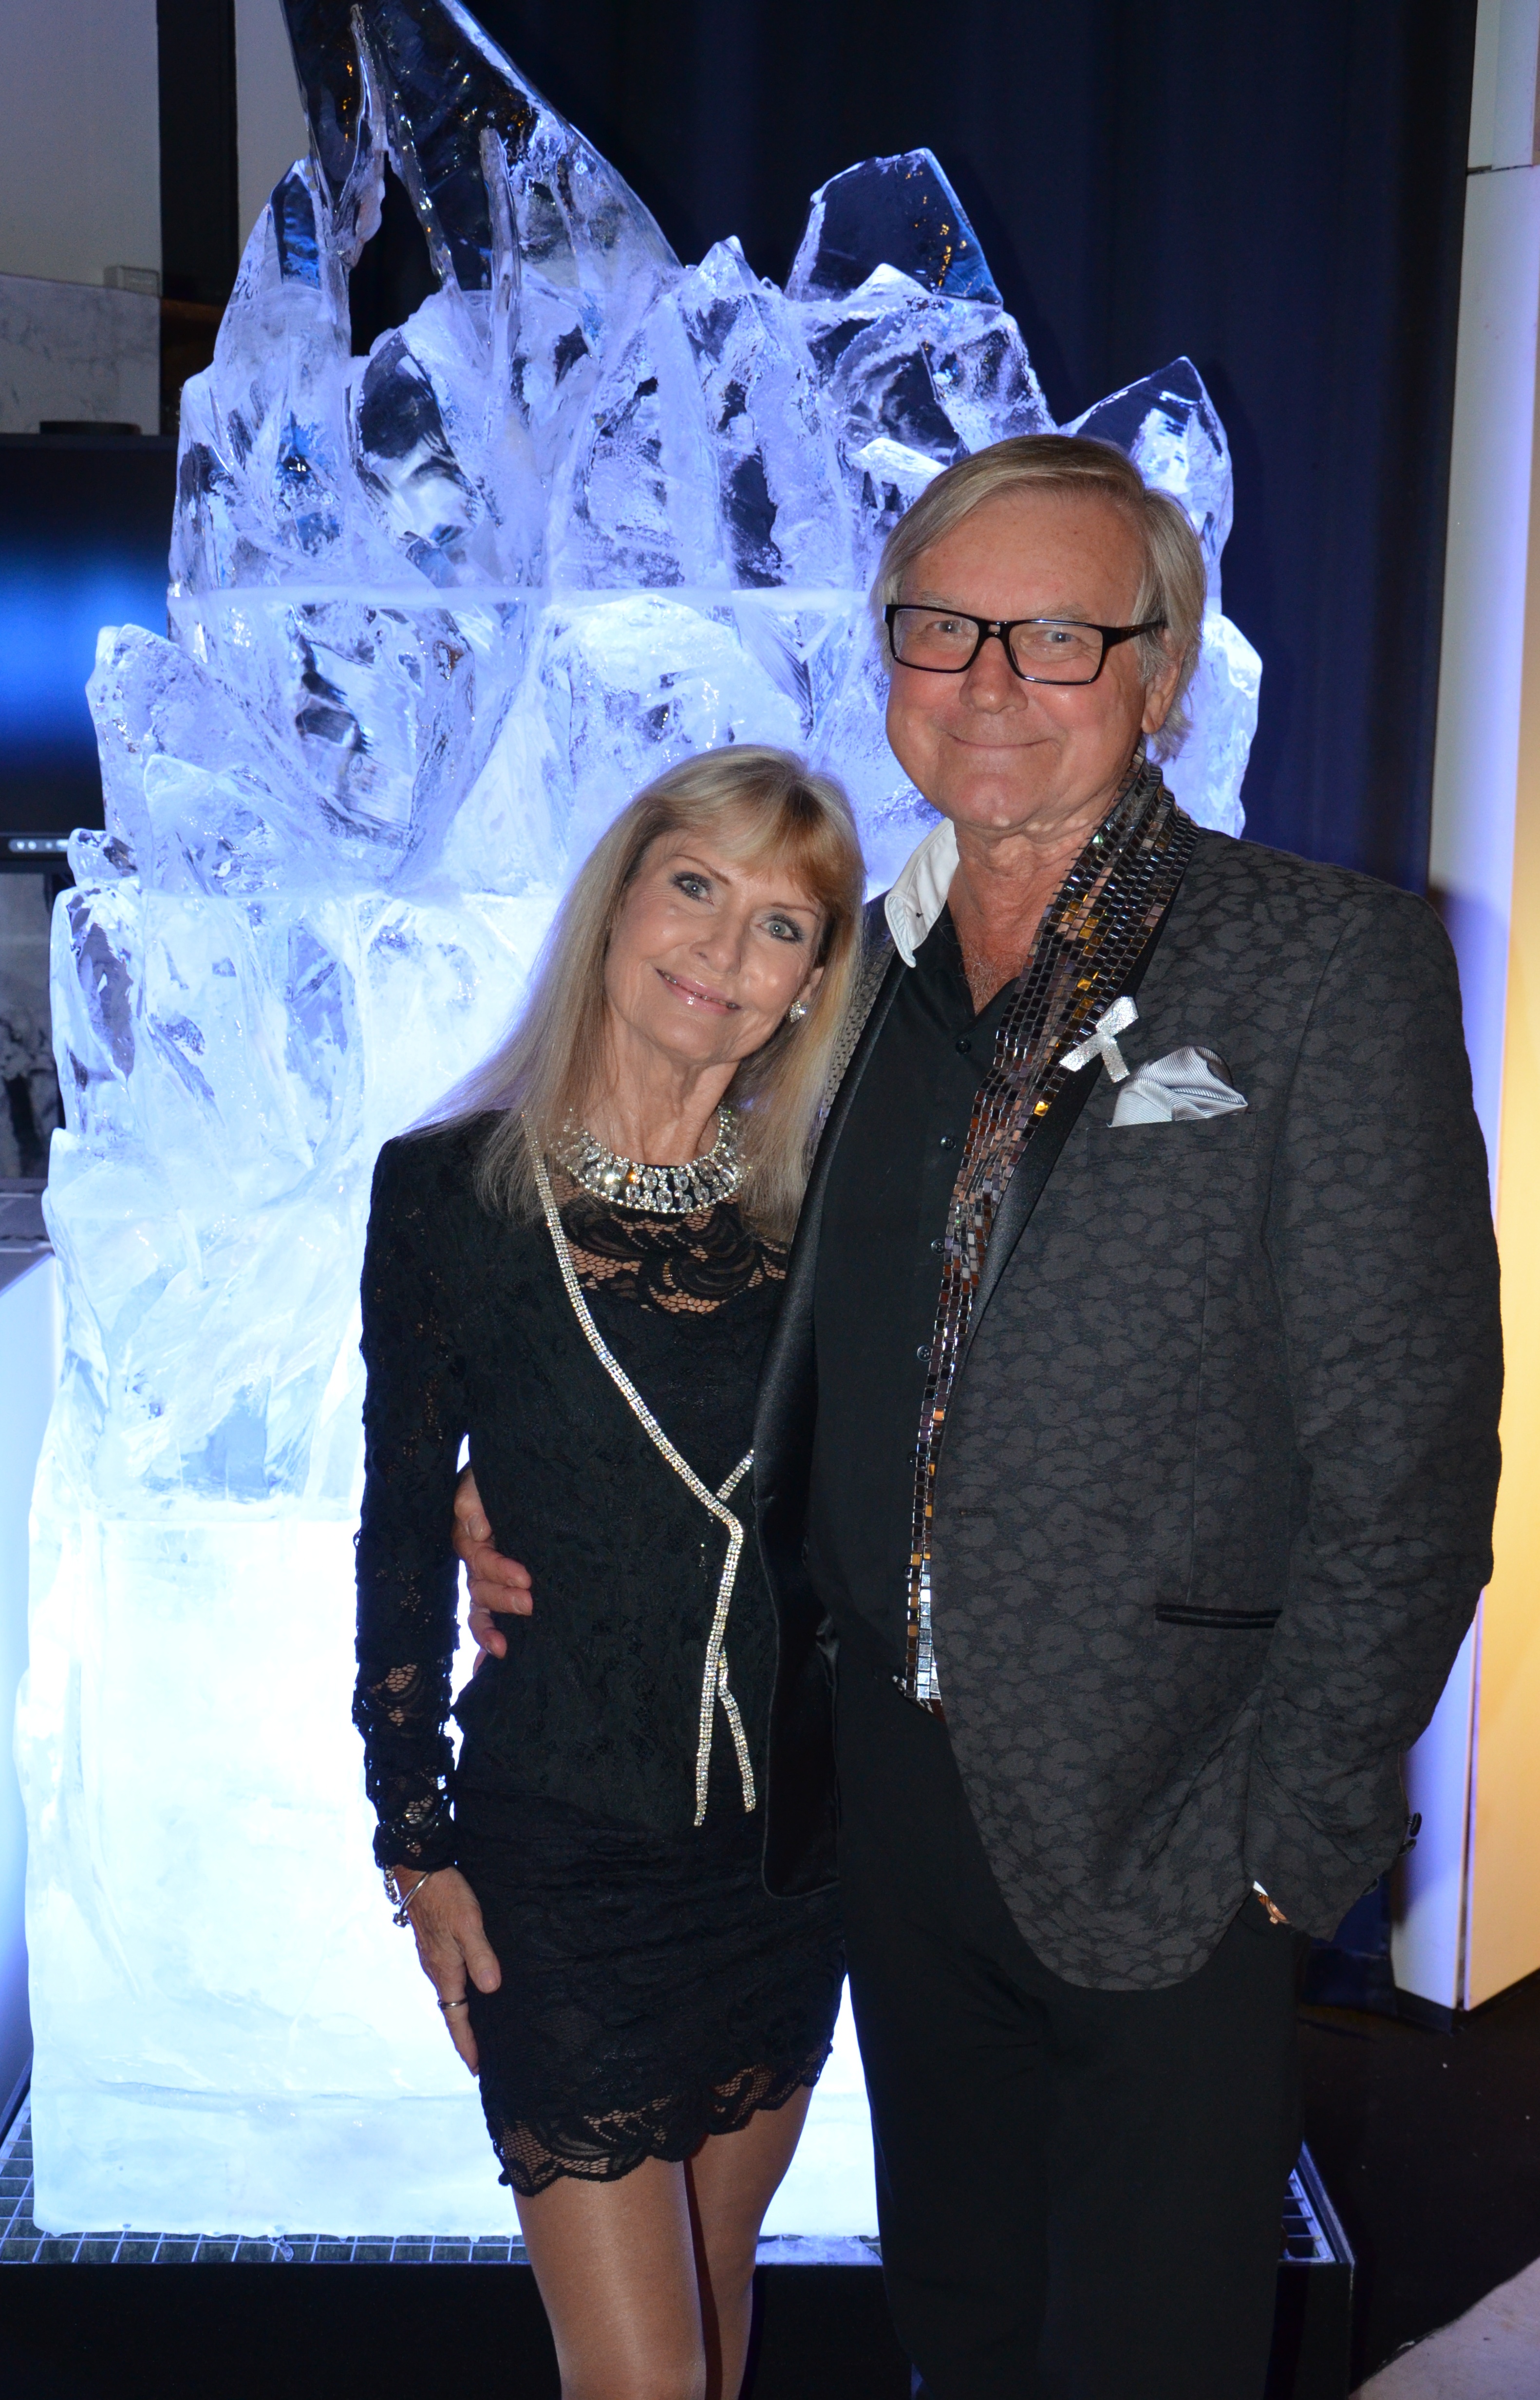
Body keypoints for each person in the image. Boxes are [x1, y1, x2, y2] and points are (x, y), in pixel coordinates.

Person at [458, 435, 1503, 2399]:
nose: (991, 679)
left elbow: (1411, 1446)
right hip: (878, 1798)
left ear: (1158, 674)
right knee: (960, 2322)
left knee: (1145, 2356)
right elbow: (688, 1276)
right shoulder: (839, 970)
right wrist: (507, 1472)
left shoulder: (1320, 961)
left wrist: (1290, 1837)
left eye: (1056, 635)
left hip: (1174, 1804)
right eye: (942, 628)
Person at [355, 746, 863, 2400]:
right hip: (558, 1864)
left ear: (811, 983)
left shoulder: (838, 1208)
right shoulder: (446, 1193)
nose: (725, 950)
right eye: (695, 887)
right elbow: (393, 1527)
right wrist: (415, 1845)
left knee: (712, 2313)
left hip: (784, 1866)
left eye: (782, 924)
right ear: (618, 903)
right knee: (640, 2379)